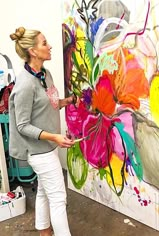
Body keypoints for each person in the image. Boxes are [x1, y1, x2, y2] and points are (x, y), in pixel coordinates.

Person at [9, 27, 75, 236]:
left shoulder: (45, 74)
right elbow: (22, 125)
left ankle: (43, 231)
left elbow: (49, 104)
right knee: (58, 198)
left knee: (45, 193)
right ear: (33, 51)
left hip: (49, 147)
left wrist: (67, 101)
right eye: (44, 43)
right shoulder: (25, 84)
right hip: (39, 152)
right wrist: (54, 136)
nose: (50, 46)